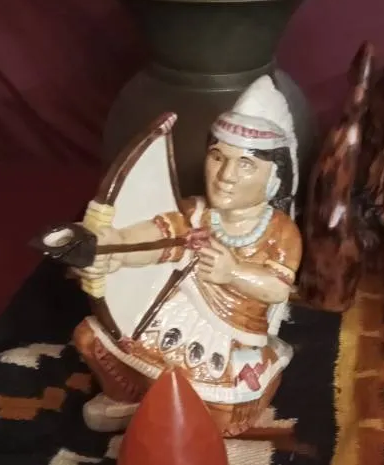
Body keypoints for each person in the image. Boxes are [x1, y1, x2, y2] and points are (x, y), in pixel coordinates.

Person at [73, 77, 303, 436]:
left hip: (233, 337)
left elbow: (278, 288)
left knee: (224, 414)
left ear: (274, 178)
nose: (226, 176)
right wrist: (116, 247)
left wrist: (234, 272)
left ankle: (166, 415)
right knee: (90, 337)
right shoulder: (195, 213)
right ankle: (133, 403)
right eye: (218, 157)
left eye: (246, 164)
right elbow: (157, 237)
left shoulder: (279, 230)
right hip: (164, 322)